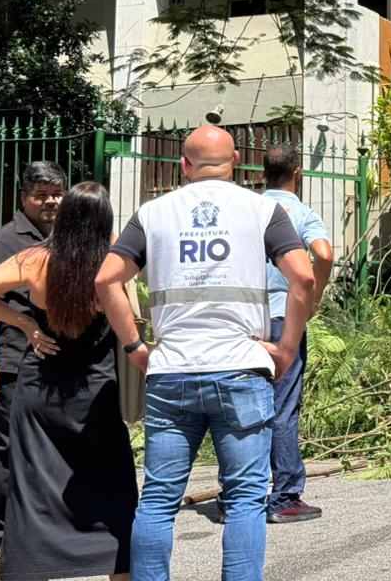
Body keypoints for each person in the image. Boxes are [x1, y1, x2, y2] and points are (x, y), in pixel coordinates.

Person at [94, 124, 314, 581]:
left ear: (184, 166)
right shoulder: (263, 209)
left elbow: (106, 280)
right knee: (246, 498)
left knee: (158, 499)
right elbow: (304, 277)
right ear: (236, 162)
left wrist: (135, 346)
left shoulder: (151, 213)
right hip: (241, 369)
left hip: (171, 371)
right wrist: (286, 348)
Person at [0, 182, 137, 581]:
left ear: (65, 216)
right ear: (105, 220)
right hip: (96, 393)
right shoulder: (113, 259)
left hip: (41, 391)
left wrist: (24, 322)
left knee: (34, 491)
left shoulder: (34, 258)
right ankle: (119, 569)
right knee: (113, 486)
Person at [0, 161, 66, 561]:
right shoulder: (5, 242)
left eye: (57, 193)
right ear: (24, 197)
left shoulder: (60, 237)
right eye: (41, 195)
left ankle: (36, 529)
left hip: (46, 359)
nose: (51, 202)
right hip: (12, 360)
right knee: (6, 449)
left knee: (43, 449)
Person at [257, 144, 335, 523]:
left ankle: (240, 494)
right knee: (283, 406)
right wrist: (313, 298)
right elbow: (324, 253)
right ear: (298, 173)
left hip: (246, 319)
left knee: (245, 405)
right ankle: (285, 495)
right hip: (285, 317)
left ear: (263, 173)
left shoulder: (248, 208)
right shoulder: (302, 213)